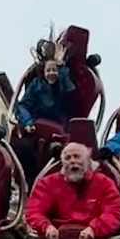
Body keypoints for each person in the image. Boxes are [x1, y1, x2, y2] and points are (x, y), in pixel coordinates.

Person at [25, 142, 120, 239]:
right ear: (62, 162)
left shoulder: (104, 183)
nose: (72, 161)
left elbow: (114, 213)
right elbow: (34, 211)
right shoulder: (48, 183)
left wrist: (94, 229)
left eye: (77, 156)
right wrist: (46, 227)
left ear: (87, 160)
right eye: (68, 158)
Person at [13, 41, 76, 188]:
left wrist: (62, 67)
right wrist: (27, 122)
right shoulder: (36, 85)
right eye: (48, 70)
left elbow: (70, 93)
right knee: (22, 148)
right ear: (43, 72)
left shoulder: (63, 83)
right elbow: (23, 106)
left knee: (55, 150)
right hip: (37, 128)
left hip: (58, 129)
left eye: (54, 70)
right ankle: (25, 184)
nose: (51, 73)